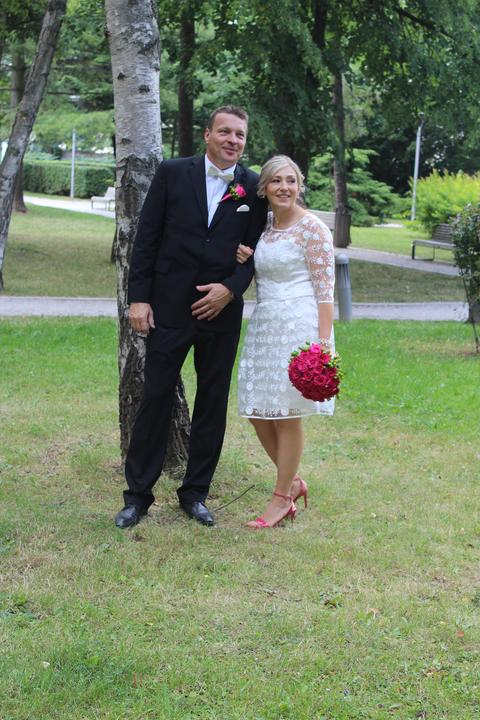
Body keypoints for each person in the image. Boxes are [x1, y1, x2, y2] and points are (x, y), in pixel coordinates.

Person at [115, 105, 267, 529]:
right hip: (169, 307)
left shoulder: (254, 187)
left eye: (239, 134)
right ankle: (137, 497)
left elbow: (258, 251)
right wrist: (139, 299)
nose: (232, 140)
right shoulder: (172, 173)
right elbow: (146, 238)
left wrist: (230, 289)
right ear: (207, 134)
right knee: (156, 398)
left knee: (212, 403)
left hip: (222, 313)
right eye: (225, 132)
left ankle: (195, 493)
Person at [236, 155, 335, 528]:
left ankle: (280, 499)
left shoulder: (312, 229)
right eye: (276, 181)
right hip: (265, 326)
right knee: (258, 411)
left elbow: (325, 292)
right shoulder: (263, 226)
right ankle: (292, 482)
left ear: (299, 186)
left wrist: (321, 345)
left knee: (288, 414)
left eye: (291, 181)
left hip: (299, 328)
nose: (284, 187)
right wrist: (243, 255)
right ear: (264, 188)